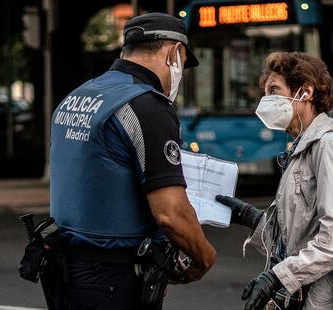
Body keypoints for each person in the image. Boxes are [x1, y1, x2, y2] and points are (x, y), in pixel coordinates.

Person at [50, 13, 216, 310]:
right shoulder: (145, 106)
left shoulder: (77, 96)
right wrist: (203, 257)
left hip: (68, 272)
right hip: (115, 278)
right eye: (182, 65)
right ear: (173, 54)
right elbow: (170, 213)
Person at [216, 52, 333, 310]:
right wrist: (249, 217)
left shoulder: (327, 147)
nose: (265, 101)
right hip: (296, 298)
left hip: (320, 301)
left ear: (305, 92)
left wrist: (277, 276)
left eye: (274, 91)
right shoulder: (300, 149)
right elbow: (295, 239)